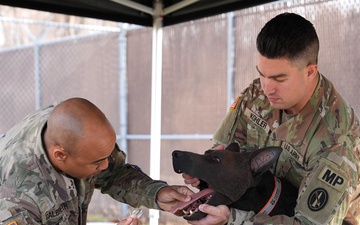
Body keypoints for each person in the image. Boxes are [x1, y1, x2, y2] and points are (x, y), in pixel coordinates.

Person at [183, 12, 360, 225]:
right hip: (259, 207)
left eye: (279, 78)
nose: (267, 88)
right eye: (262, 74)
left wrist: (233, 220)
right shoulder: (257, 94)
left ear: (310, 72)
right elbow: (227, 150)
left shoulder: (335, 139)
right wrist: (207, 172)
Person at [0, 97, 193, 225]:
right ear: (60, 155)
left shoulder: (73, 131)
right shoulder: (17, 198)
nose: (105, 166)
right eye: (96, 163)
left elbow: (114, 173)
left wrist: (155, 193)